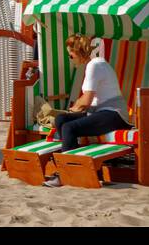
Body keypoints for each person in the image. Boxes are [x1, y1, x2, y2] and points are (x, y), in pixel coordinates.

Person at [45, 35, 134, 187]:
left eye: (70, 54)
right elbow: (86, 101)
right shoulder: (95, 64)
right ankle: (72, 161)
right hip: (102, 112)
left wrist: (74, 107)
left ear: (78, 52)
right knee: (61, 119)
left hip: (114, 114)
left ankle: (67, 173)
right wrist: (74, 108)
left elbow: (84, 102)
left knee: (69, 127)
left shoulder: (94, 66)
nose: (70, 57)